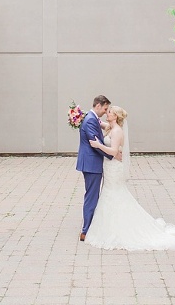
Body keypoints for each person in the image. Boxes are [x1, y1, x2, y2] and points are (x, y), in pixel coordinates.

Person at [85, 105, 175, 250]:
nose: (106, 113)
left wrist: (98, 145)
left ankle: (120, 227)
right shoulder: (110, 127)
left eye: (109, 112)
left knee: (114, 194)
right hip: (109, 168)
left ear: (115, 116)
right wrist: (82, 115)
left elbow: (113, 151)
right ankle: (110, 226)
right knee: (110, 193)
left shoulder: (117, 131)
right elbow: (97, 121)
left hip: (114, 169)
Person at [75, 95, 113, 242]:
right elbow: (94, 143)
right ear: (98, 106)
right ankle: (86, 230)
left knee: (92, 195)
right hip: (91, 164)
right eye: (105, 108)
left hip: (91, 163)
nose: (105, 112)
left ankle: (89, 227)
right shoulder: (90, 119)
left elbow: (100, 124)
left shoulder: (92, 117)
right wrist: (112, 155)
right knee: (91, 196)